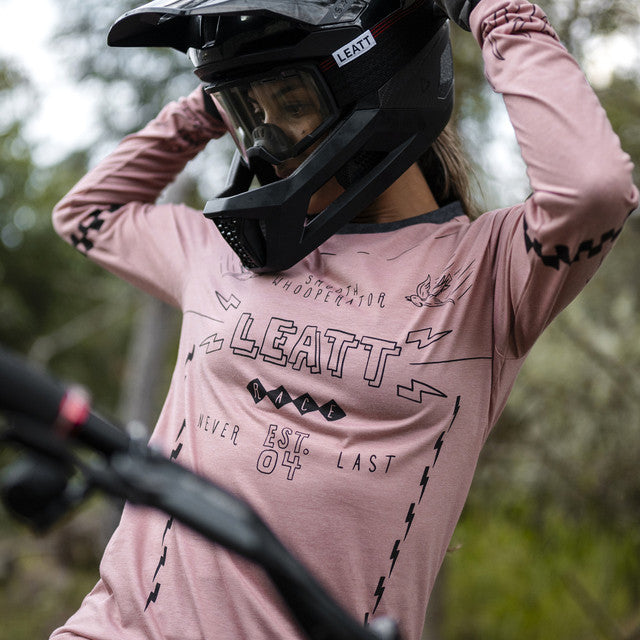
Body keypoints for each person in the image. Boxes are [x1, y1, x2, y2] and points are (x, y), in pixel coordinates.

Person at [49, 0, 638, 638]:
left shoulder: (488, 277)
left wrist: (494, 13)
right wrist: (212, 103)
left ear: (378, 88)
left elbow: (594, 189)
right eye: (252, 113)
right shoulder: (224, 251)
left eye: (291, 102)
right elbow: (88, 212)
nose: (265, 141)